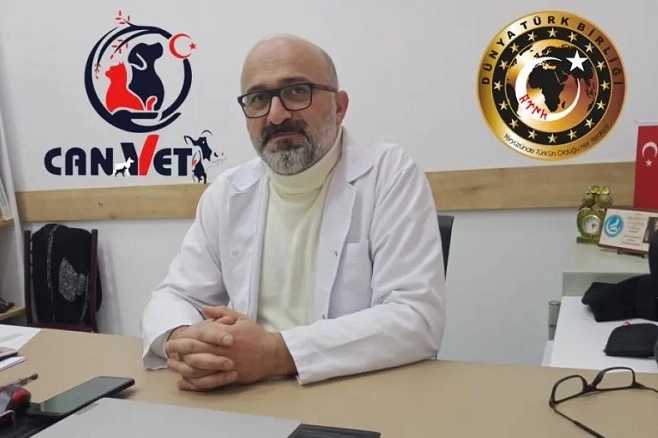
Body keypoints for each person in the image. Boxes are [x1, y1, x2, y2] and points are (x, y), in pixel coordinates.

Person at [140, 33, 446, 390]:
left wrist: (276, 352)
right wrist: (184, 339)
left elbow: (417, 317)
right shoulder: (227, 193)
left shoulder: (388, 174)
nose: (276, 114)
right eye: (258, 99)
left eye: (297, 91)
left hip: (359, 390)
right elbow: (176, 295)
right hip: (246, 392)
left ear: (339, 107)